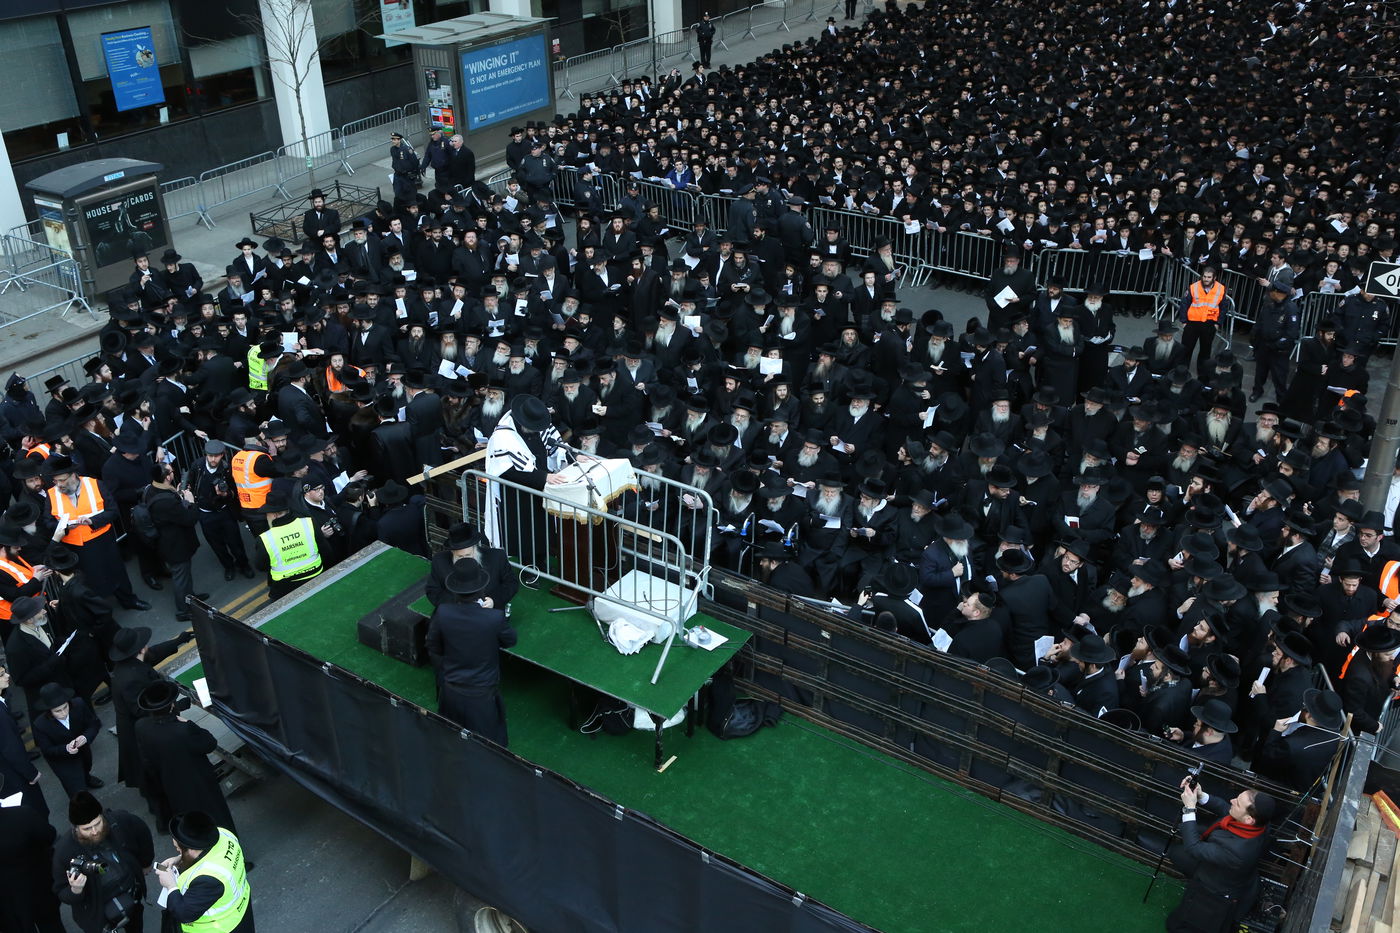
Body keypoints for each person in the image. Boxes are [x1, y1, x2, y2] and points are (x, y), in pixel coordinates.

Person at [426, 560, 518, 747]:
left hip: (451, 691)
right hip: (482, 696)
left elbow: (433, 645)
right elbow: (510, 640)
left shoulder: (443, 613)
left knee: (449, 742)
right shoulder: (493, 618)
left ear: (455, 591)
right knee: (489, 748)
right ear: (481, 590)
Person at [1168, 777, 1276, 932]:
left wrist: (1190, 808)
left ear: (1249, 819)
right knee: (1178, 852)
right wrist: (1200, 795)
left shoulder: (1239, 852)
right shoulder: (1261, 824)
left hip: (1217, 890)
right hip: (1231, 871)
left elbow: (1193, 847)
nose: (1232, 800)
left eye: (1237, 803)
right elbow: (1226, 809)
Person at [44, 454, 148, 611]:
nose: (59, 484)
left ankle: (128, 600)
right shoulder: (52, 495)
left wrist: (92, 521)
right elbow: (48, 522)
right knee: (89, 580)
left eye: (62, 480)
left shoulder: (95, 485)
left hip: (102, 540)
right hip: (76, 547)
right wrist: (64, 527)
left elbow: (113, 511)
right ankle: (99, 609)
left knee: (116, 572)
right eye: (56, 481)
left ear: (73, 475)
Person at [134, 680, 237, 832]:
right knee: (217, 817)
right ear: (171, 706)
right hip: (199, 781)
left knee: (192, 823)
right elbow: (209, 743)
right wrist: (189, 723)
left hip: (172, 785)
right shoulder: (184, 730)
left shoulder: (141, 726)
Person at [53, 791, 154, 933]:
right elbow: (61, 891)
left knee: (136, 925)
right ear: (76, 827)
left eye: (97, 823)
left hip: (131, 894)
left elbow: (142, 834)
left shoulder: (119, 821)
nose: (94, 831)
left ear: (102, 816)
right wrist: (76, 890)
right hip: (98, 909)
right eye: (87, 829)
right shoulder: (64, 851)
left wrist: (146, 862)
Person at [109, 625, 194, 792]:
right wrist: (175, 706)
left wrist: (178, 640)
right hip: (138, 732)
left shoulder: (130, 663)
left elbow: (154, 653)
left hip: (140, 725)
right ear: (140, 650)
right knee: (151, 771)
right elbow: (142, 710)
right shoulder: (131, 678)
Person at [155, 811, 253, 933]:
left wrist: (170, 885)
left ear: (191, 850)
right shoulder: (223, 834)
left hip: (224, 928)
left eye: (178, 848)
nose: (177, 850)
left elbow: (184, 914)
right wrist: (180, 858)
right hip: (241, 910)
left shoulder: (208, 879)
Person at [0, 771, 66, 933]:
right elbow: (50, 835)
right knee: (52, 926)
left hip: (6, 905)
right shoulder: (22, 815)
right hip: (39, 889)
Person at [145, 460, 210, 623]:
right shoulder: (166, 501)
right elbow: (189, 519)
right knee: (181, 577)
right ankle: (183, 610)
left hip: (169, 542)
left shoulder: (151, 489)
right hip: (175, 545)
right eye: (171, 472)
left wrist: (179, 496)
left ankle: (191, 599)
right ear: (167, 477)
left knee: (184, 574)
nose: (173, 474)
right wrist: (191, 501)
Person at [31, 681, 103, 797]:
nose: (64, 713)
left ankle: (87, 778)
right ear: (49, 711)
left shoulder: (79, 704)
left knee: (86, 767)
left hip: (83, 751)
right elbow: (47, 750)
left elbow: (94, 724)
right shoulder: (40, 725)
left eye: (65, 707)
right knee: (76, 791)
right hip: (62, 761)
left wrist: (85, 737)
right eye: (58, 711)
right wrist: (66, 749)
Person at [425, 521, 517, 610]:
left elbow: (511, 583)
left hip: (489, 614)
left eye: (468, 555)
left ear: (475, 548)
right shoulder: (439, 561)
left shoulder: (497, 557)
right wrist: (455, 605)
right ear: (452, 552)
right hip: (457, 616)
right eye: (460, 556)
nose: (465, 559)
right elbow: (433, 591)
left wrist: (494, 600)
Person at [257, 492, 324, 601]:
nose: (266, 517)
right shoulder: (309, 523)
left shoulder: (264, 539)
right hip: (316, 575)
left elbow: (261, 566)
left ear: (274, 515)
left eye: (267, 514)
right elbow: (326, 551)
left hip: (285, 588)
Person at [0, 662, 47, 814]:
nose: (7, 676)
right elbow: (11, 748)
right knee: (35, 809)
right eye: (1, 674)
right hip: (14, 775)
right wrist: (31, 773)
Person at [1178, 266, 1226, 378]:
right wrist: (1184, 321)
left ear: (1214, 278)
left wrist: (1218, 323)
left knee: (1205, 351)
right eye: (1204, 276)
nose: (1206, 279)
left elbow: (1223, 308)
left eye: (1209, 277)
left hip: (1209, 324)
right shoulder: (1194, 287)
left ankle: (1203, 376)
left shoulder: (1220, 289)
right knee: (1186, 349)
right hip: (1192, 323)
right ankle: (1182, 374)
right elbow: (1184, 304)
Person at [389, 131, 420, 206]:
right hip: (397, 174)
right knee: (398, 193)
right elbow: (395, 160)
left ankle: (412, 207)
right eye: (392, 139)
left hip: (407, 175)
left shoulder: (407, 149)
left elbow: (415, 162)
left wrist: (415, 173)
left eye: (394, 139)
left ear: (399, 140)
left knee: (410, 194)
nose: (392, 141)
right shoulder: (392, 149)